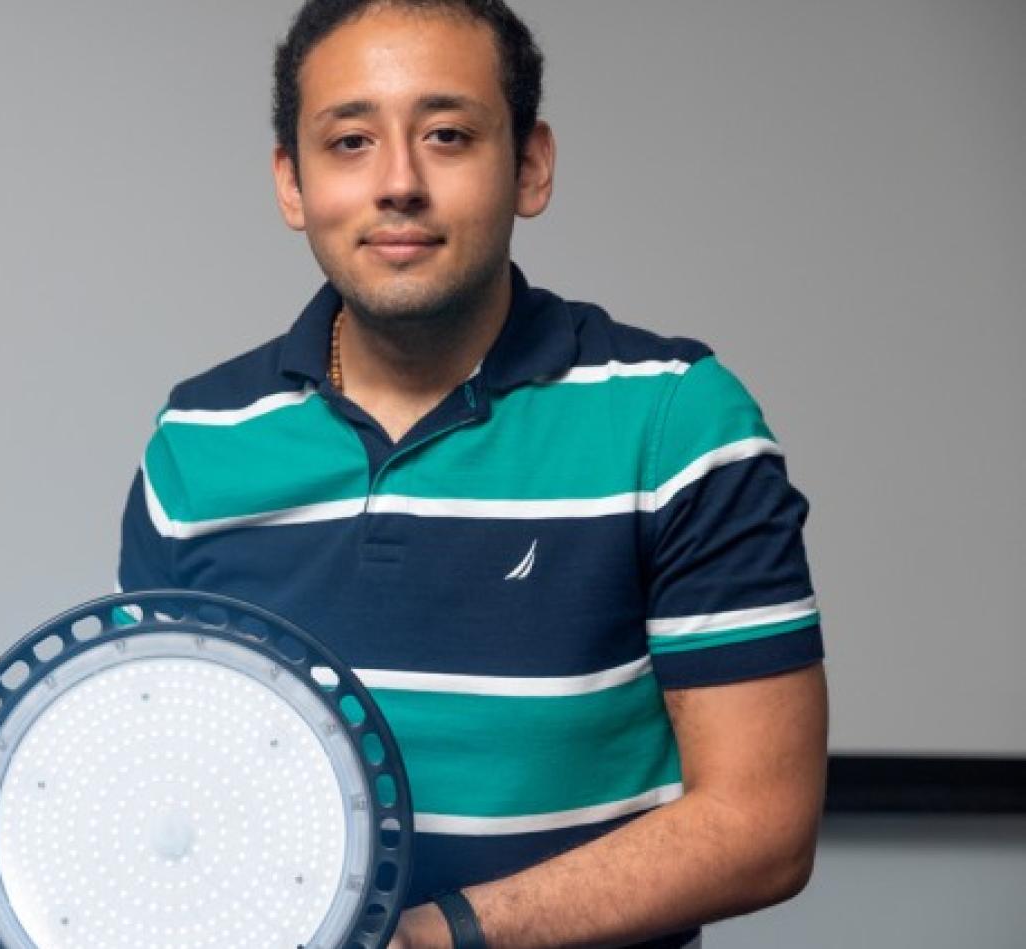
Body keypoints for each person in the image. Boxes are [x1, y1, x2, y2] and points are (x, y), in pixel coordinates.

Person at [116, 2, 827, 947]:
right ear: (292, 182)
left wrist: (425, 938)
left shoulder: (677, 420)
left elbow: (762, 825)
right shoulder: (197, 443)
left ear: (529, 165)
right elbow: (167, 791)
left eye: (447, 135)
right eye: (351, 141)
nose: (398, 183)